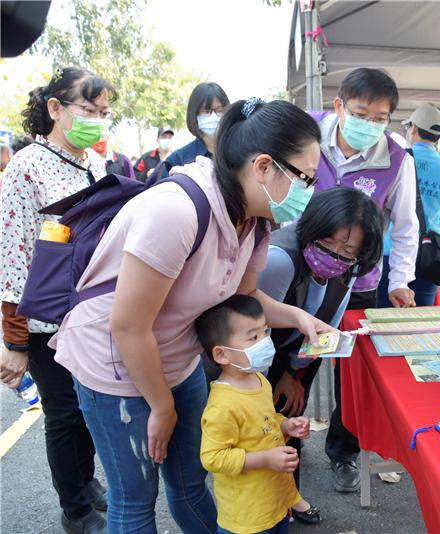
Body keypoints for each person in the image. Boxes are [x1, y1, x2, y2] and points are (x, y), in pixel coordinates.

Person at [52, 97, 331, 533]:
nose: (309, 192)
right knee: (135, 502)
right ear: (263, 167)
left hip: (177, 360)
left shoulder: (255, 221)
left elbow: (244, 297)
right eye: (304, 178)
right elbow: (128, 326)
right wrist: (161, 406)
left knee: (190, 483)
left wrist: (298, 317)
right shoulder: (176, 211)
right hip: (116, 367)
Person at [0, 66, 111, 534]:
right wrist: (14, 340)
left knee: (89, 408)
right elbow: (11, 255)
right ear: (55, 109)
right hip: (46, 321)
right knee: (64, 415)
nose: (98, 120)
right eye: (89, 110)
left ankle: (85, 481)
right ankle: (75, 507)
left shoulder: (96, 164)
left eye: (105, 113)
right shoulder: (27, 167)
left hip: (90, 314)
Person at [308, 68, 418, 492]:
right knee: (296, 362)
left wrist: (400, 281)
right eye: (359, 113)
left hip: (360, 281)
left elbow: (407, 226)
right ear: (338, 106)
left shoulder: (396, 158)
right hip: (303, 278)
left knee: (350, 376)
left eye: (379, 117)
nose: (368, 124)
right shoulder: (307, 137)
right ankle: (281, 448)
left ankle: (343, 451)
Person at [257, 187, 383, 510]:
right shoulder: (280, 260)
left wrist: (293, 375)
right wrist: (277, 376)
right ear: (315, 225)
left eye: (347, 251)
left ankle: (287, 500)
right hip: (254, 358)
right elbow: (251, 329)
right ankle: (267, 509)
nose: (334, 256)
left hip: (295, 355)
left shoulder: (347, 269)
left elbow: (325, 328)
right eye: (328, 241)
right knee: (260, 433)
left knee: (289, 422)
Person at [197, 295, 313, 534]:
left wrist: (286, 426)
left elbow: (264, 422)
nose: (265, 342)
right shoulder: (223, 406)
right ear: (221, 354)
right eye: (253, 337)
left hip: (276, 502)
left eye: (265, 331)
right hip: (246, 517)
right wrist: (265, 459)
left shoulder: (259, 380)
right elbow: (213, 458)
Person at [377, 104, 440, 307]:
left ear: (414, 128)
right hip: (430, 253)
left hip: (393, 250)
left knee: (386, 313)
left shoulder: (399, 159)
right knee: (422, 315)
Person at [164, 82, 229, 173]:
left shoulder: (239, 150)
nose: (214, 116)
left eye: (220, 110)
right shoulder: (178, 159)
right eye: (207, 111)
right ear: (194, 115)